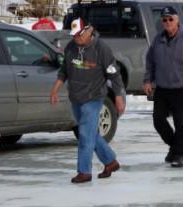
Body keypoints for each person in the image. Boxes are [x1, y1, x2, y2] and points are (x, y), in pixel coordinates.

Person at [50, 19, 126, 184]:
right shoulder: (71, 47)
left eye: (79, 35)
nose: (76, 38)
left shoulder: (101, 49)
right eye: (74, 35)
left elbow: (114, 73)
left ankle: (84, 172)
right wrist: (56, 89)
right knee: (91, 133)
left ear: (88, 31)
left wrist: (119, 96)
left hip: (94, 97)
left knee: (85, 135)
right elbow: (64, 71)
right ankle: (110, 162)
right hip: (76, 97)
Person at [143, 7, 183, 168]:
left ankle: (179, 155)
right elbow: (150, 61)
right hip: (162, 88)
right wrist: (148, 80)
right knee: (158, 120)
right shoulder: (158, 40)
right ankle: (175, 147)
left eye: (171, 19)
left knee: (180, 123)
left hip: (182, 89)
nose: (167, 22)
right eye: (164, 19)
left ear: (177, 20)